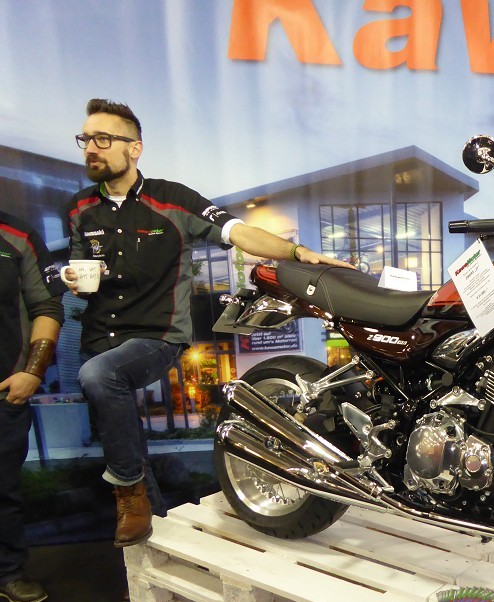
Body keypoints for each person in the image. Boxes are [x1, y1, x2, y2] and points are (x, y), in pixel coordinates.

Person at [62, 98, 349, 549]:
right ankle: (153, 532)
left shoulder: (173, 199)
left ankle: (129, 493)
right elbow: (81, 269)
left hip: (156, 335)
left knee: (100, 377)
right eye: (85, 140)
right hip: (101, 335)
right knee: (121, 430)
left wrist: (297, 252)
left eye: (102, 139)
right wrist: (74, 281)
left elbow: (240, 233)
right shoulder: (79, 208)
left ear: (134, 148)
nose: (90, 149)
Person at [0, 211, 65, 602]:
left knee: (3, 491)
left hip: (3, 392)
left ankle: (7, 572)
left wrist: (32, 372)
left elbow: (47, 306)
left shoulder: (16, 236)